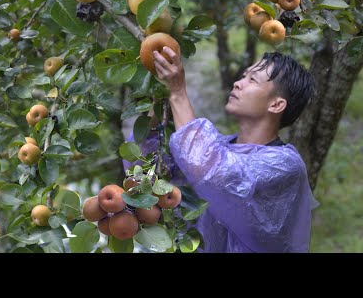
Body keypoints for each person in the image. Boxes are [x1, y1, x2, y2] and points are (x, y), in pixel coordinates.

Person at [125, 48, 318, 253]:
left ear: (276, 104)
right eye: (244, 75)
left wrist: (177, 92)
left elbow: (210, 169)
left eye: (252, 80)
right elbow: (145, 165)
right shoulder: (219, 148)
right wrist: (159, 95)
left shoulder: (285, 165)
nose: (238, 82)